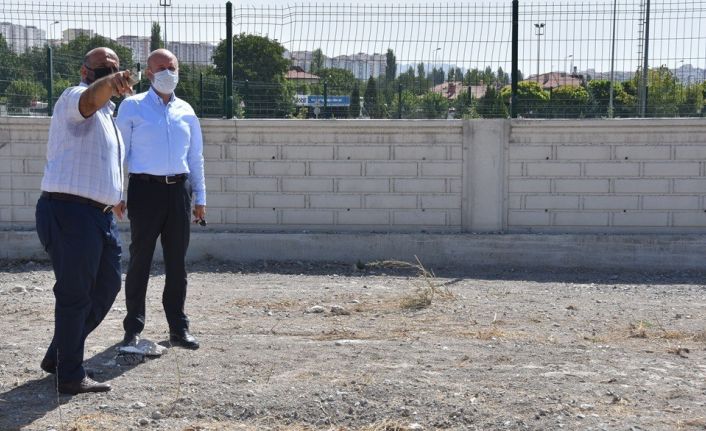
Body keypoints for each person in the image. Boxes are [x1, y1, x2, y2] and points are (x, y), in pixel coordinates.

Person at [36, 47, 134, 395]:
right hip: (69, 212)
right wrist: (109, 83)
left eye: (115, 68)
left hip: (99, 215)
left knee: (107, 286)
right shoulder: (74, 97)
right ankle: (70, 375)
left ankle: (60, 355)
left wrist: (115, 195)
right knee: (75, 294)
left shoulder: (110, 116)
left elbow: (100, 160)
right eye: (103, 68)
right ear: (85, 71)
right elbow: (91, 99)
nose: (109, 72)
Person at [116, 48, 206, 350]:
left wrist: (200, 197)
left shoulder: (186, 110)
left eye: (172, 67)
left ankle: (178, 328)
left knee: (177, 263)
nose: (168, 72)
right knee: (140, 260)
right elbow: (119, 154)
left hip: (179, 191)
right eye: (161, 67)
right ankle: (133, 328)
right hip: (145, 190)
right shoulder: (132, 106)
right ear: (149, 73)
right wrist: (117, 193)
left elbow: (195, 157)